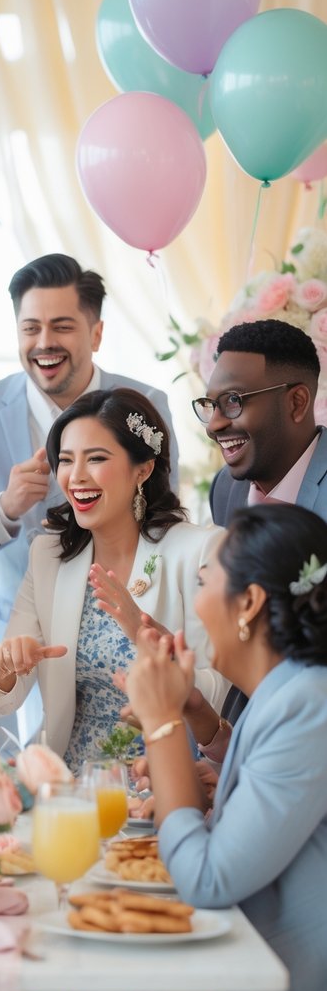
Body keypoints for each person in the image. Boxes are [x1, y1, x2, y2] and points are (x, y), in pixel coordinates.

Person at [83, 504, 327, 991]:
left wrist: (163, 723)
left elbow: (207, 880)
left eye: (202, 582)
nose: (192, 607)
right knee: (97, 978)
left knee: (99, 984)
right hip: (243, 956)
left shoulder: (307, 704)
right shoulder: (290, 689)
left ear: (249, 603)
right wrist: (195, 728)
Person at [0, 254, 179, 741]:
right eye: (30, 328)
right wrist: (3, 508)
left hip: (125, 631)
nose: (44, 343)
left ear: (96, 333)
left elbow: (161, 519)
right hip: (9, 637)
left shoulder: (145, 405)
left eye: (62, 326)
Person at [0, 388, 227, 768]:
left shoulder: (199, 551)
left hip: (167, 779)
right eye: (65, 460)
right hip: (71, 780)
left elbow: (220, 694)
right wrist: (9, 667)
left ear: (142, 469)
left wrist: (149, 639)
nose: (76, 477)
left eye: (96, 459)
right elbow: (3, 699)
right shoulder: (48, 556)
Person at [186, 318, 327, 750]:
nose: (213, 424)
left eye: (232, 402)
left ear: (297, 402)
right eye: (208, 405)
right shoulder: (226, 490)